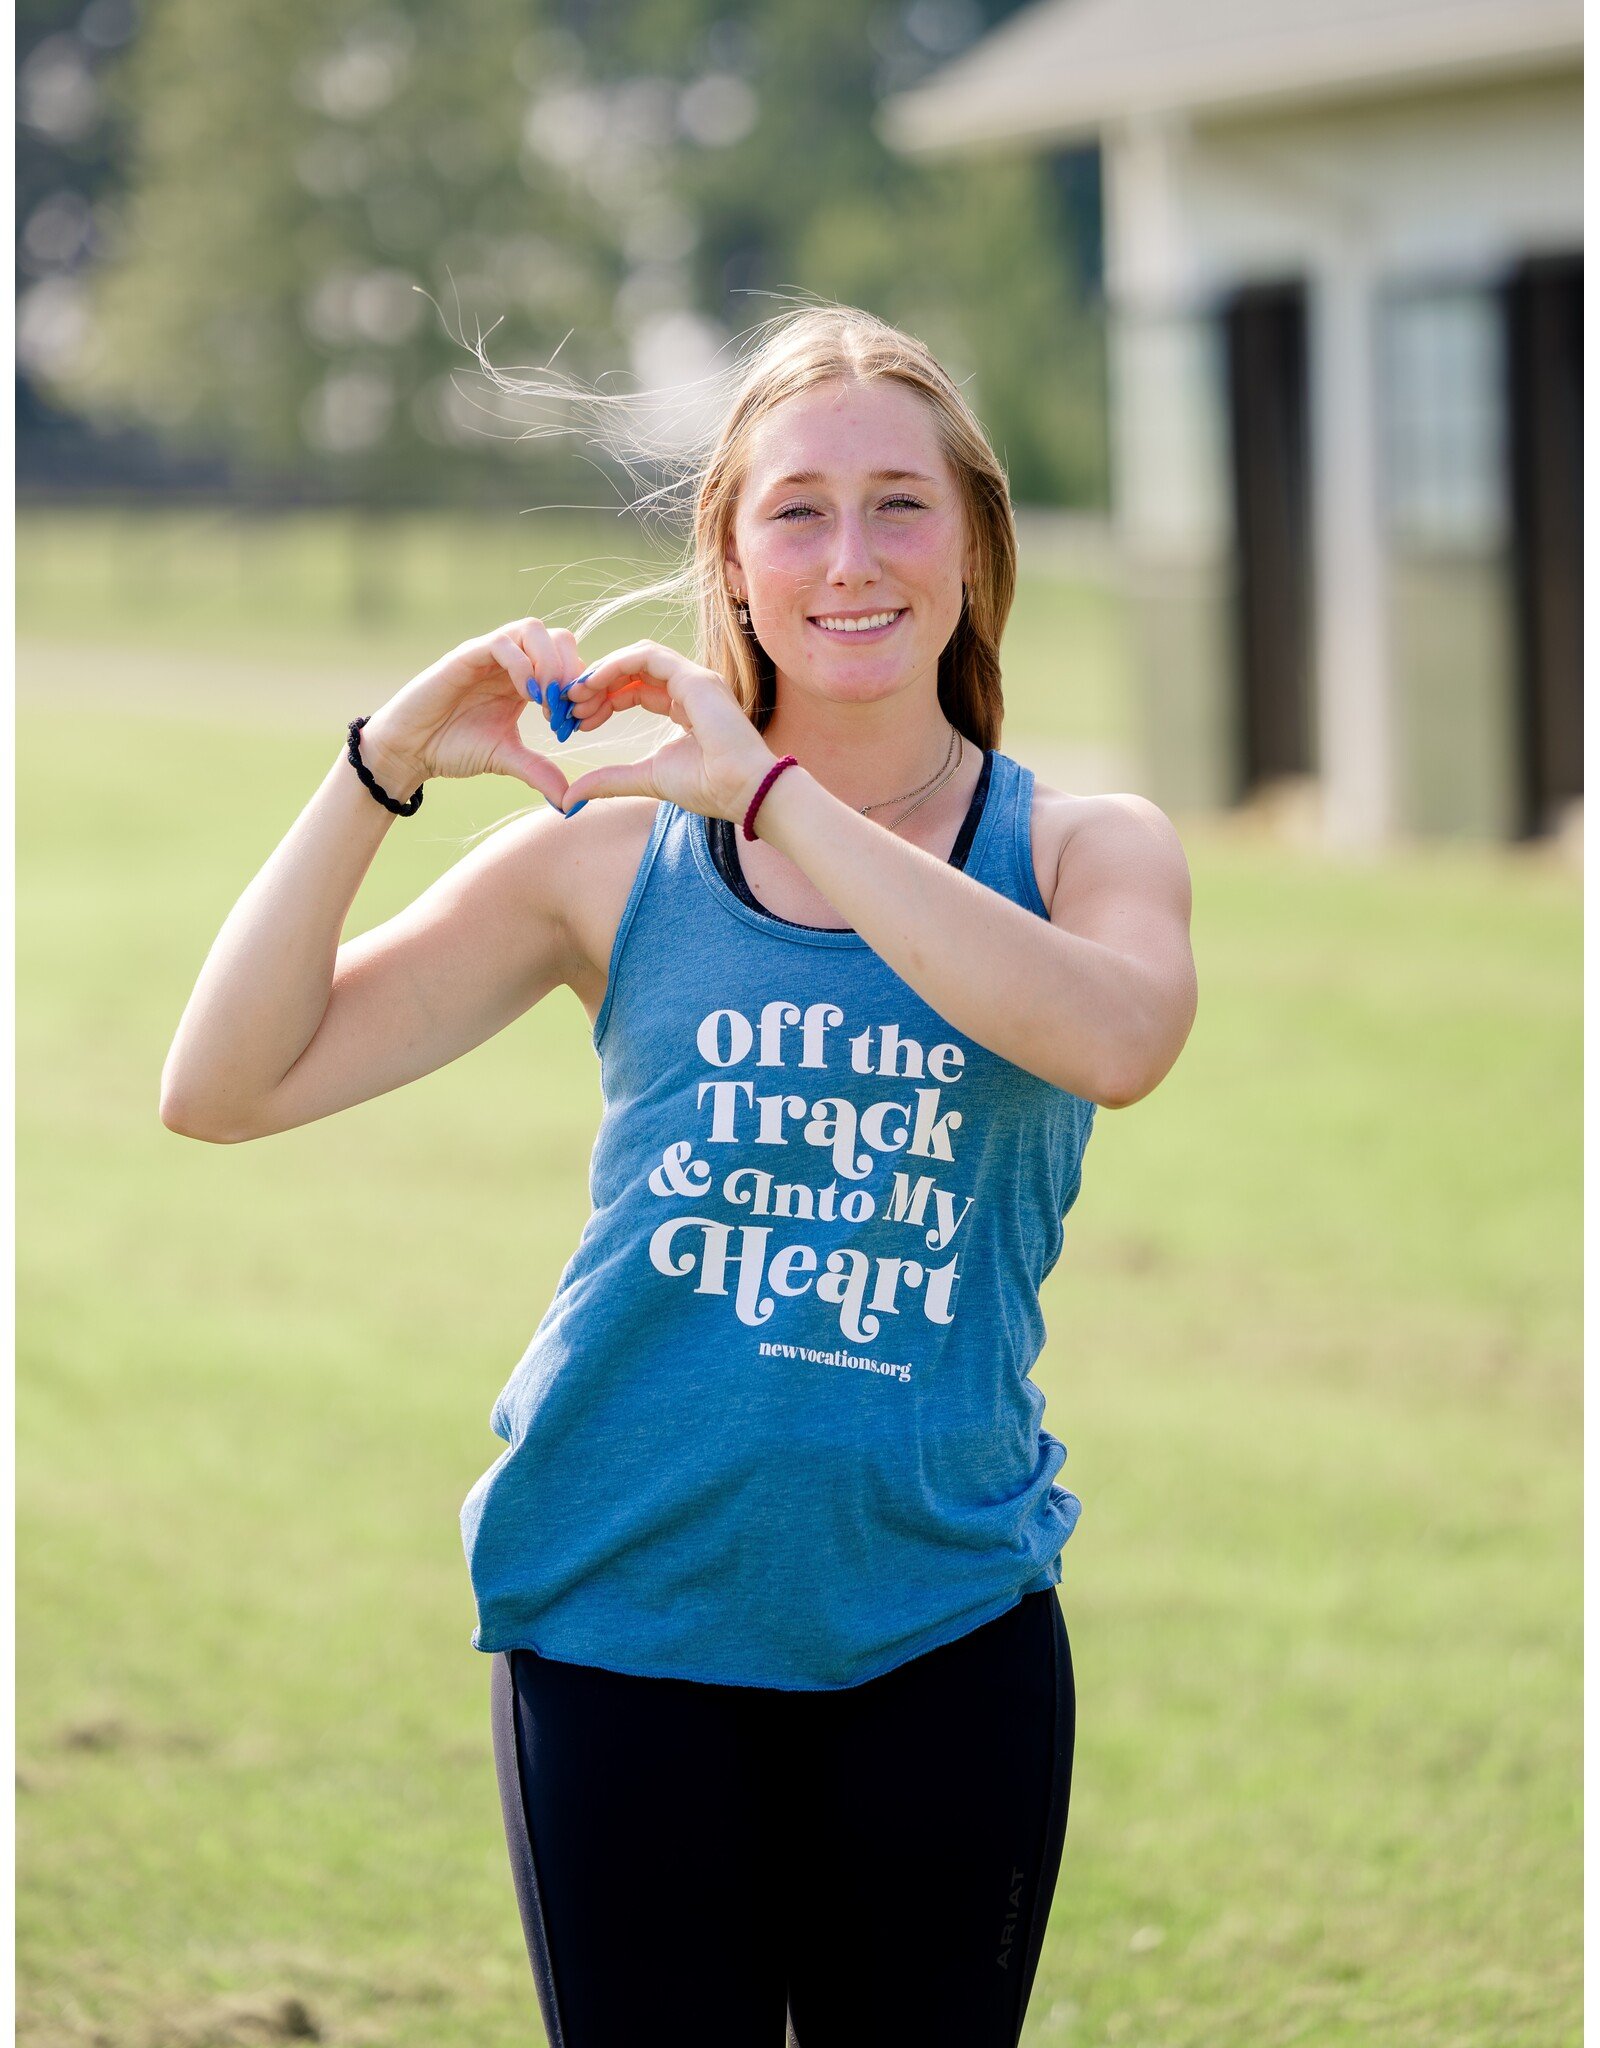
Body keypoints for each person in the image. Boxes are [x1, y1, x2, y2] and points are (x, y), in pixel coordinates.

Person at [160, 303, 1198, 2047]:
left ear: (975, 544)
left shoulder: (1085, 847)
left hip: (939, 1623)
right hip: (619, 1620)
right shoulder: (613, 857)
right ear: (729, 552)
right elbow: (223, 1083)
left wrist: (779, 794)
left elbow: (1112, 1041)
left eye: (900, 506)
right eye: (798, 509)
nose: (850, 557)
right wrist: (382, 765)